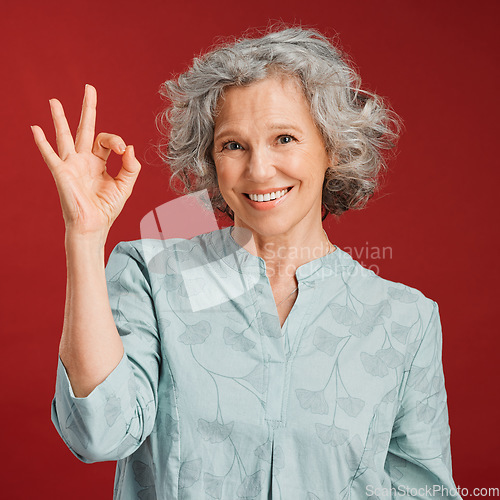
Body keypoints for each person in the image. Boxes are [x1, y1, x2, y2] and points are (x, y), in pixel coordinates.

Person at [32, 26, 461, 499]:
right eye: (233, 145)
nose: (259, 170)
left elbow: (426, 492)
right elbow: (97, 434)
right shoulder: (150, 276)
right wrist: (86, 238)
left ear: (332, 149)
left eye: (285, 138)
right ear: (211, 161)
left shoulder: (405, 319)